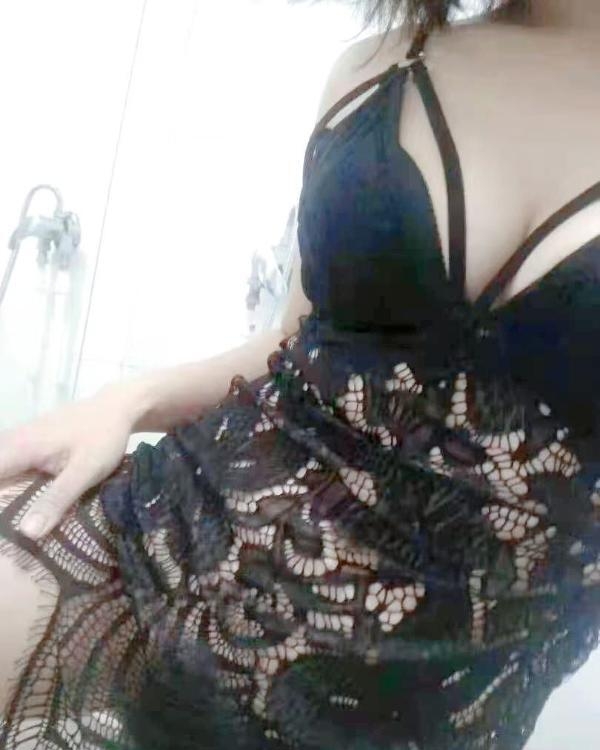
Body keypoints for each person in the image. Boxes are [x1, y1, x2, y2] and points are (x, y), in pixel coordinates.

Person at [2, 0, 600, 747]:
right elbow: (299, 343)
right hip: (174, 554)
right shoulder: (382, 65)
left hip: (422, 704)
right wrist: (126, 401)